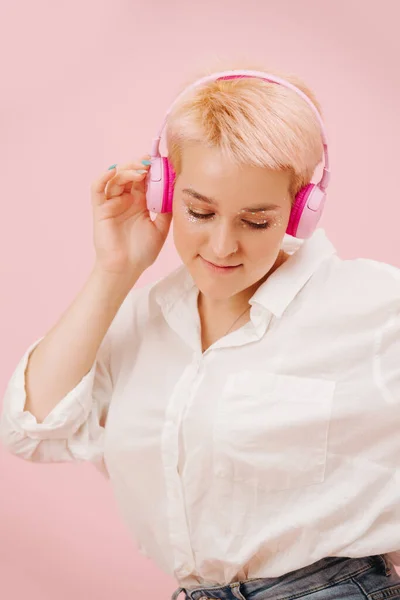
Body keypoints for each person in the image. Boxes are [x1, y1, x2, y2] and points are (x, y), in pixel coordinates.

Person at [1, 67, 400, 600]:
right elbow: (33, 429)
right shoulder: (145, 319)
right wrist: (114, 269)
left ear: (302, 208)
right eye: (199, 211)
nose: (221, 246)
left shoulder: (373, 306)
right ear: (165, 193)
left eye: (255, 221)